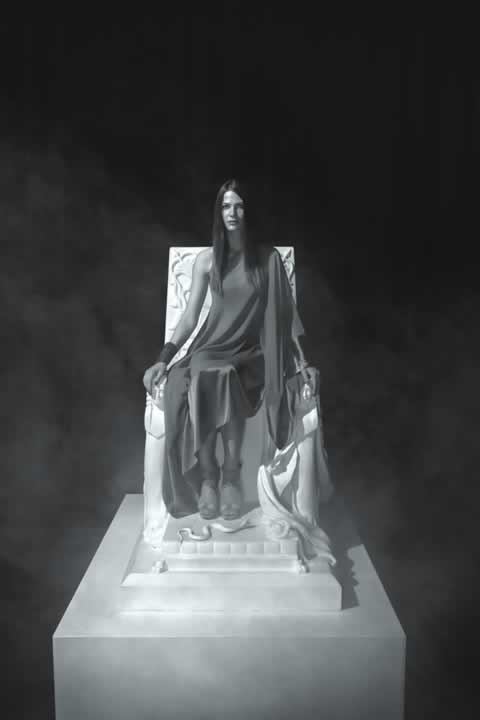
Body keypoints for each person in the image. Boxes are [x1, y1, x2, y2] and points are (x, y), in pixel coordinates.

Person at [143, 179, 316, 522]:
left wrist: (304, 362)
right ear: (218, 213)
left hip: (251, 352)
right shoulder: (207, 261)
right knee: (209, 372)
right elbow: (190, 317)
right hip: (211, 347)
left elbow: (287, 317)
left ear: (248, 211)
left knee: (224, 375)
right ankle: (211, 476)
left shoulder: (268, 260)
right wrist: (164, 358)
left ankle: (231, 473)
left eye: (238, 206)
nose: (232, 212)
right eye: (225, 206)